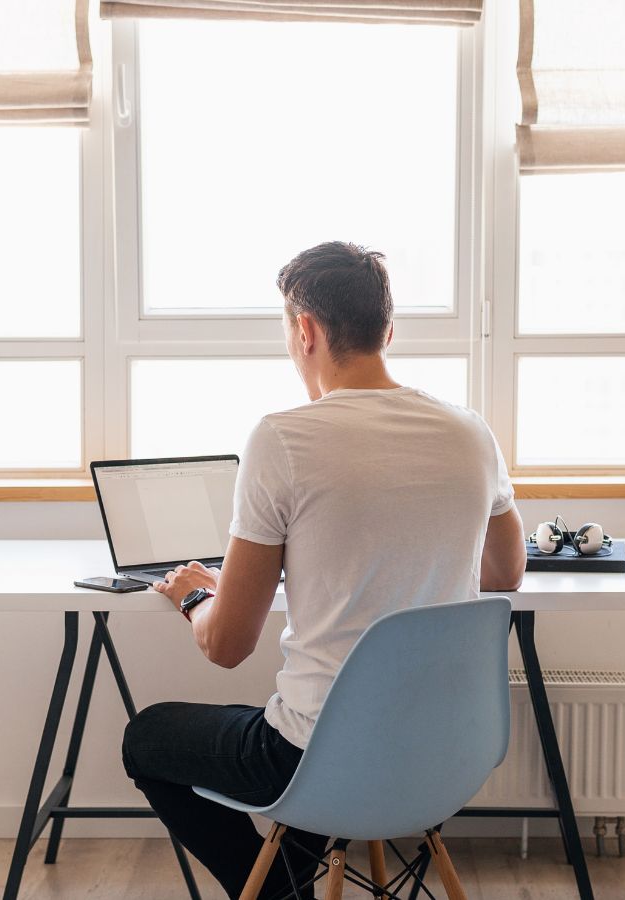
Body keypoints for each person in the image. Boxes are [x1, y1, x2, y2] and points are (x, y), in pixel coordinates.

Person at [122, 241, 527, 899]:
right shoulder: (471, 433)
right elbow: (507, 573)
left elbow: (227, 646)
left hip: (315, 759)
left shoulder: (283, 439)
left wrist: (197, 598)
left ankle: (281, 895)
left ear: (304, 330)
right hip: (443, 758)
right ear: (386, 331)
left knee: (147, 738)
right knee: (325, 732)